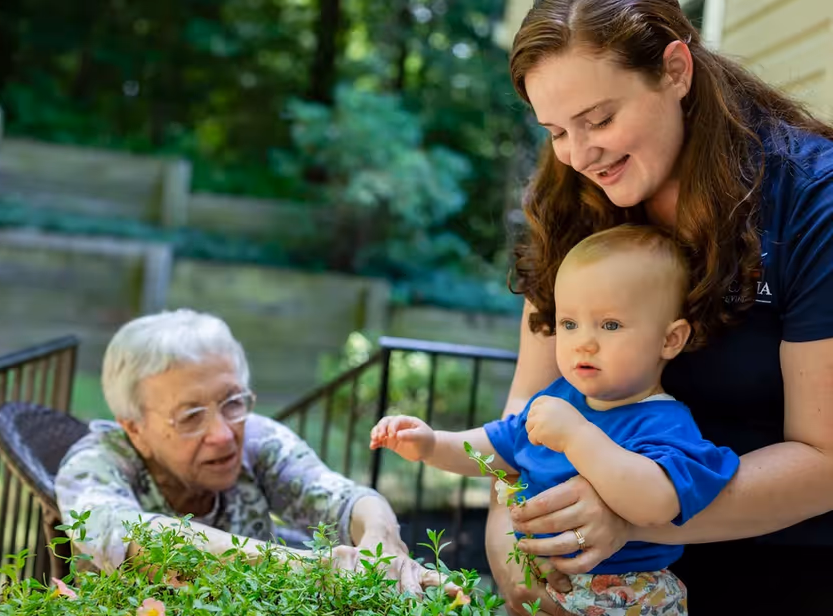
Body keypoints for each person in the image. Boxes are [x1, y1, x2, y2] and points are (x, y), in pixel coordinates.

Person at [489, 1, 833, 614]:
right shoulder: (568, 194)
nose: (580, 156)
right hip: (599, 571)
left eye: (599, 118)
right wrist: (510, 533)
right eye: (556, 131)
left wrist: (633, 514)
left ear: (675, 70)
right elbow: (533, 400)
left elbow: (825, 458)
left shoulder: (813, 202)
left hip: (787, 564)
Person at [371, 225, 739, 615]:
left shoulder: (664, 422)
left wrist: (578, 436)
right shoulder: (557, 399)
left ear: (670, 340)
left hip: (625, 593)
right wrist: (431, 444)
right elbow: (498, 446)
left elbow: (656, 503)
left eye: (610, 325)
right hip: (545, 579)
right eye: (569, 323)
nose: (583, 341)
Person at [54, 308, 452, 595]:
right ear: (135, 428)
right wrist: (315, 569)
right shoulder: (95, 465)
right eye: (191, 415)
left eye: (233, 401)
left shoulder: (259, 439)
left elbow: (343, 498)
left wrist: (382, 546)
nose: (224, 435)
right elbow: (140, 538)